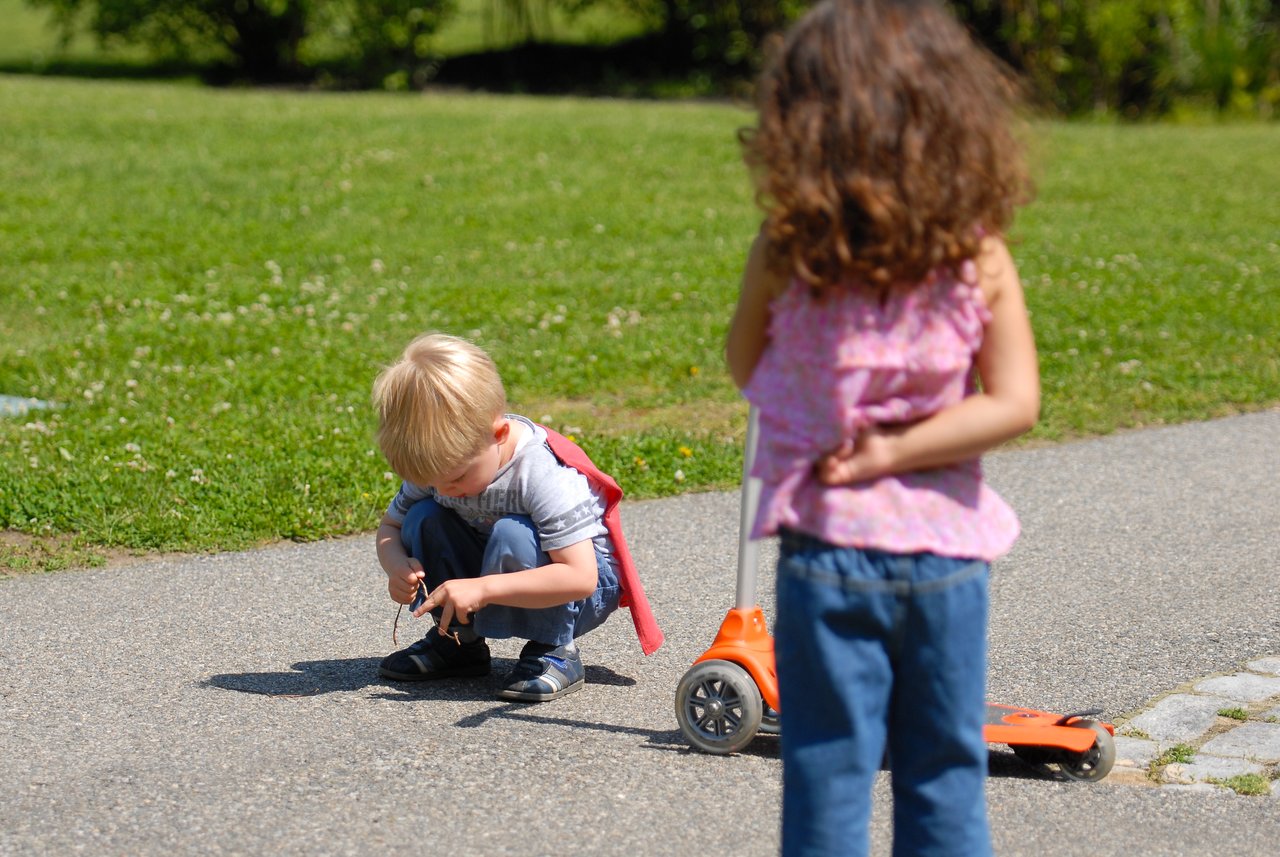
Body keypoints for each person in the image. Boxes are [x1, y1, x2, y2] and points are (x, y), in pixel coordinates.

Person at [725, 2, 1040, 855]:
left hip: (825, 551)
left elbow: (745, 361)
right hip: (945, 559)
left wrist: (829, 414)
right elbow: (1014, 400)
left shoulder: (790, 248)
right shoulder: (977, 255)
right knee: (943, 774)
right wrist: (899, 448)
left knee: (827, 775)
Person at [372, 333, 662, 702]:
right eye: (431, 480)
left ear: (499, 434)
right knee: (422, 517)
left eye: (457, 478)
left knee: (514, 532)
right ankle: (457, 642)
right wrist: (396, 565)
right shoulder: (443, 465)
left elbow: (581, 577)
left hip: (578, 586)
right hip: (496, 568)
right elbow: (391, 527)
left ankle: (555, 648)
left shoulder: (540, 472)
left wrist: (482, 589)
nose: (445, 490)